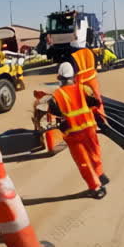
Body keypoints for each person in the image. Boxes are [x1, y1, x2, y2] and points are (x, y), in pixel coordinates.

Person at [49, 62, 109, 199]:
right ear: (74, 76)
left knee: (83, 162)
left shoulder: (56, 96)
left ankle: (95, 188)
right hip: (89, 130)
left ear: (59, 78)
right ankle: (99, 173)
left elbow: (54, 114)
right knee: (95, 154)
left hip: (73, 135)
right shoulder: (83, 89)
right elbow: (95, 102)